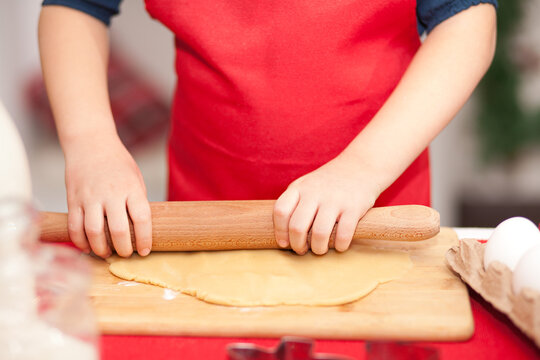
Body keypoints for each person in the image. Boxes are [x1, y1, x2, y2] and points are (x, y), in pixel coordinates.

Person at [38, 0, 497, 258]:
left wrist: (363, 169)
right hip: (205, 221)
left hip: (374, 216)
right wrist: (90, 143)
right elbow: (75, 9)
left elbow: (467, 21)